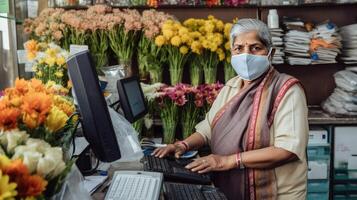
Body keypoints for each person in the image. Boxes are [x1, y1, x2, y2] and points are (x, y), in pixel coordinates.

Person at [153, 18, 308, 200]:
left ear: (270, 53)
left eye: (255, 47)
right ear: (232, 53)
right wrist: (182, 145)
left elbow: (287, 150)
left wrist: (226, 161)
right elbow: (208, 128)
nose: (246, 54)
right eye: (239, 48)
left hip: (275, 193)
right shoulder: (233, 85)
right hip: (230, 188)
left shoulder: (287, 90)